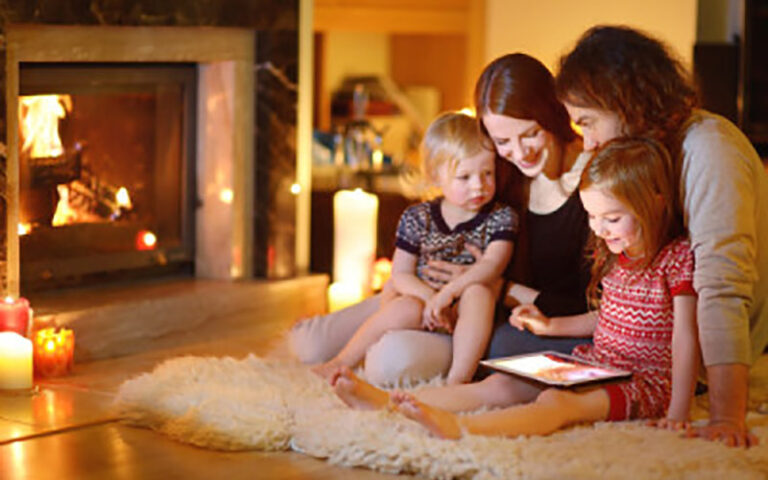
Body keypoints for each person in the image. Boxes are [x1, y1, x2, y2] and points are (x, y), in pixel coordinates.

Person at [333, 137, 701, 440]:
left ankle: (461, 428)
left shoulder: (677, 258)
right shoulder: (615, 256)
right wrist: (550, 327)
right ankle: (387, 403)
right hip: (598, 363)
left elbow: (685, 336)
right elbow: (605, 318)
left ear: (655, 203)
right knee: (501, 386)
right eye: (592, 216)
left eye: (613, 218)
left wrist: (678, 410)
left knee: (557, 407)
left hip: (645, 382)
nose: (600, 229)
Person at [290, 54, 593, 385]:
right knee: (309, 344)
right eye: (503, 141)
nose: (520, 154)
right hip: (429, 294)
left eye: (531, 134)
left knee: (389, 362)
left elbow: (591, 306)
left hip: (490, 314)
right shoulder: (498, 169)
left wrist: (498, 287)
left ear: (552, 114)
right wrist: (415, 288)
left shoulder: (596, 187)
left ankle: (443, 378)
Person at [555, 25, 768, 447]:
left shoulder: (709, 149)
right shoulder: (648, 155)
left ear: (624, 101)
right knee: (516, 355)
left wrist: (725, 416)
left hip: (694, 358)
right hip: (648, 344)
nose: (587, 141)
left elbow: (722, 288)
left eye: (588, 122)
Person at [312, 112, 516, 385]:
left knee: (479, 292)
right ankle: (341, 361)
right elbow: (401, 273)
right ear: (435, 177)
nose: (478, 185)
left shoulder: (501, 217)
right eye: (464, 177)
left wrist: (447, 295)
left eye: (487, 173)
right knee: (404, 305)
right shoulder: (418, 217)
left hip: (465, 311)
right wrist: (431, 298)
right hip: (425, 305)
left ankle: (458, 381)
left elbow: (491, 266)